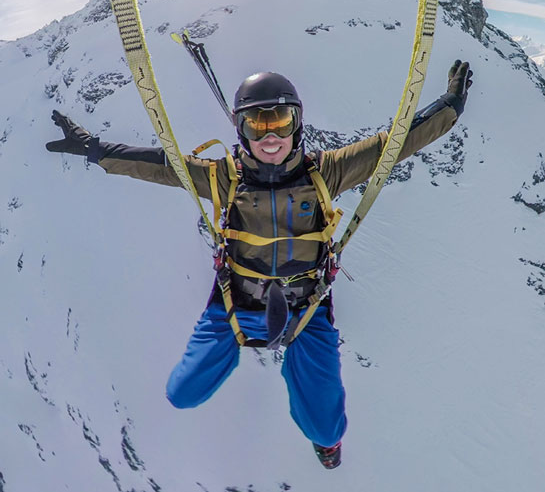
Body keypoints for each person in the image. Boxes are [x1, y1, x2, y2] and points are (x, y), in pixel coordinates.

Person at [46, 59, 472, 469]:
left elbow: (394, 143)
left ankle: (324, 441)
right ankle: (258, 368)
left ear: (297, 123)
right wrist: (94, 149)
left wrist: (449, 107)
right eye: (257, 123)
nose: (271, 135)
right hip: (235, 306)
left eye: (280, 121)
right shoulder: (223, 178)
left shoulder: (326, 173)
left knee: (325, 427)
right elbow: (162, 166)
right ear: (242, 129)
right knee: (182, 393)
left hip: (307, 309)